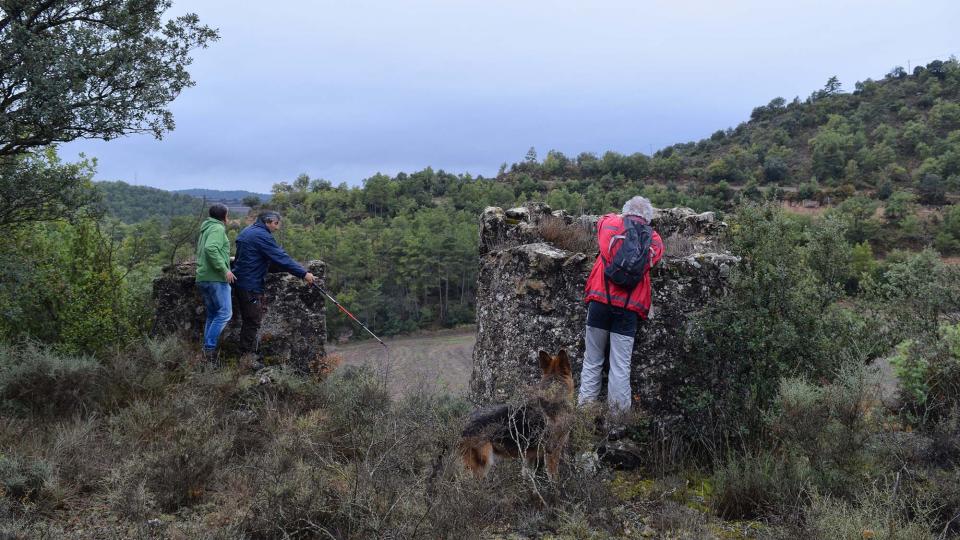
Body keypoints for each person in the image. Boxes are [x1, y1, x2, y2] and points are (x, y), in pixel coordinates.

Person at [578, 196, 664, 414]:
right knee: (620, 367)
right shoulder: (654, 240)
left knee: (592, 361)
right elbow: (652, 261)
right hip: (629, 307)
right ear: (648, 217)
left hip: (600, 300)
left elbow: (600, 221)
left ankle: (584, 417)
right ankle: (618, 422)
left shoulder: (610, 224)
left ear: (625, 212)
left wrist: (622, 217)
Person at [232, 211, 315, 367]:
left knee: (251, 318)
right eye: (276, 224)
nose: (277, 228)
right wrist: (304, 273)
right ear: (268, 221)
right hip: (250, 284)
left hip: (242, 280)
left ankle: (249, 355)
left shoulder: (248, 231)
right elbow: (280, 257)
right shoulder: (261, 236)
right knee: (252, 320)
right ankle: (246, 359)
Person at [195, 203, 236, 364]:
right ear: (224, 216)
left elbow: (209, 250)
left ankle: (207, 351)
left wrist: (228, 259)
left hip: (203, 277)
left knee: (212, 314)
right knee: (225, 313)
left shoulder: (206, 228)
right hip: (216, 278)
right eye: (228, 214)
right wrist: (225, 270)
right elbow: (211, 249)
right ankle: (209, 351)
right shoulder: (218, 229)